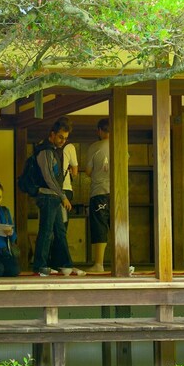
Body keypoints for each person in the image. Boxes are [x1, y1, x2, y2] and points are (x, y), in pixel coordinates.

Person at [33, 117, 85, 277]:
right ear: (53, 134)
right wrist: (63, 196)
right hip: (47, 195)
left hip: (54, 196)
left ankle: (65, 264)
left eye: (65, 138)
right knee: (47, 231)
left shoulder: (54, 150)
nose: (63, 141)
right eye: (61, 137)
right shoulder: (45, 150)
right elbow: (49, 178)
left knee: (60, 231)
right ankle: (40, 265)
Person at [81, 118, 110, 272]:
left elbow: (88, 171)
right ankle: (124, 262)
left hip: (99, 192)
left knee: (100, 227)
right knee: (119, 226)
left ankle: (99, 264)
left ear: (99, 130)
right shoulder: (121, 145)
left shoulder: (95, 146)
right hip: (119, 193)